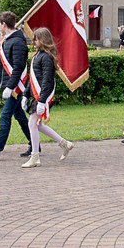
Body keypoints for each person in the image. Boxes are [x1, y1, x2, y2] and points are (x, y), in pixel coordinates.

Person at [0, 11, 32, 160]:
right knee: (20, 117)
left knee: (5, 116)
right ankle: (35, 144)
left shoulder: (18, 42)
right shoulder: (5, 40)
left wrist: (10, 86)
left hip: (16, 87)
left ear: (3, 24)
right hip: (12, 86)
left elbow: (18, 67)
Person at [21, 27, 75, 167]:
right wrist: (25, 95)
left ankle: (35, 157)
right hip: (35, 95)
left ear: (43, 40)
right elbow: (31, 78)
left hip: (42, 97)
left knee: (32, 124)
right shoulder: (37, 55)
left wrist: (42, 101)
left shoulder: (46, 57)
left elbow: (47, 80)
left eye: (36, 39)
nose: (34, 42)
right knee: (39, 126)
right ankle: (64, 144)